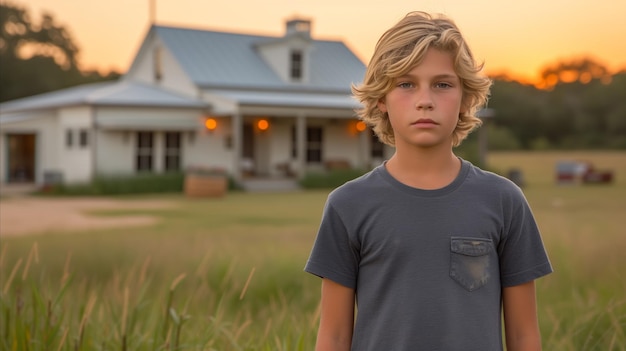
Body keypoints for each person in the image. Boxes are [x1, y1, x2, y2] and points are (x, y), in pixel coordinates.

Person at [304, 11, 552, 351]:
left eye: (442, 84)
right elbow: (332, 336)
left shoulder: (504, 200)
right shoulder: (347, 205)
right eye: (406, 84)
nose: (425, 100)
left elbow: (524, 336)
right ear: (381, 98)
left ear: (465, 98)